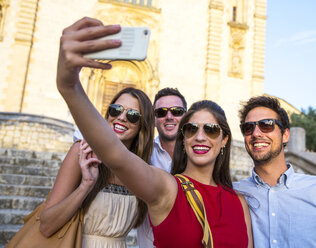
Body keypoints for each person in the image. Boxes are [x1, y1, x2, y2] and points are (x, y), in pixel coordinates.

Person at [55, 17, 253, 248]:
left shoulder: (240, 202)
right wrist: (69, 86)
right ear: (183, 138)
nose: (200, 136)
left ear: (224, 139)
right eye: (191, 129)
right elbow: (116, 156)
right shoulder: (166, 187)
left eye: (210, 129)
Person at [39, 86, 155, 248]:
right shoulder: (82, 152)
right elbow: (46, 226)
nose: (121, 118)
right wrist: (85, 186)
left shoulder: (142, 168)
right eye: (116, 110)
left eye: (132, 115)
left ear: (143, 125)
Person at [233, 96, 316, 248]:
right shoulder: (232, 194)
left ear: (285, 135)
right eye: (248, 128)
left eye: (266, 125)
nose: (256, 133)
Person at [137, 87, 187, 247]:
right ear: (153, 119)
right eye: (161, 112)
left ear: (186, 116)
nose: (169, 117)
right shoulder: (141, 154)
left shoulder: (201, 156)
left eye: (177, 111)